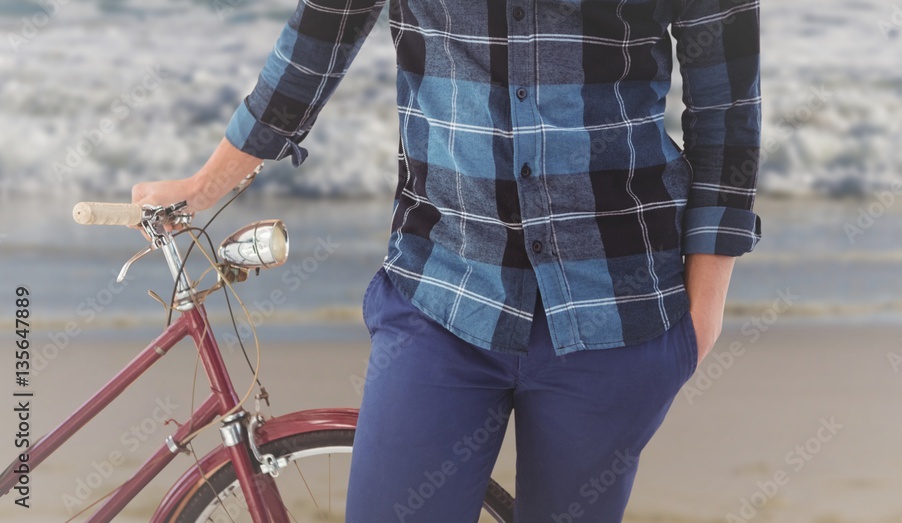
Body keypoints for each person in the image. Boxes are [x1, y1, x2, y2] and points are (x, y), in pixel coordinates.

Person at [132, 0, 762, 520]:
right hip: (441, 293)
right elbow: (321, 32)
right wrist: (207, 183)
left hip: (617, 309)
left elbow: (727, 110)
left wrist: (706, 313)